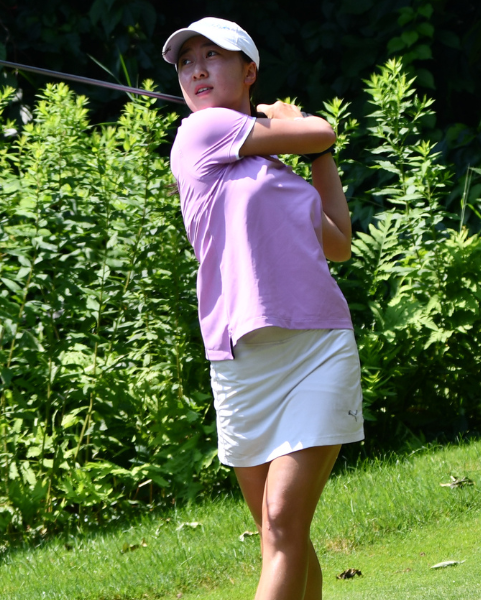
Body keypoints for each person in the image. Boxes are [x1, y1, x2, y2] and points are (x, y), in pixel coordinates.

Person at [162, 17, 364, 600]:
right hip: (241, 360)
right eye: (186, 62)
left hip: (316, 349)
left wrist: (317, 153)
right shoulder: (200, 135)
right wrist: (299, 127)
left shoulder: (278, 174)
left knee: (282, 527)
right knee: (281, 534)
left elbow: (339, 243)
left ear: (248, 71)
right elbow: (319, 128)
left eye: (214, 57)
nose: (197, 69)